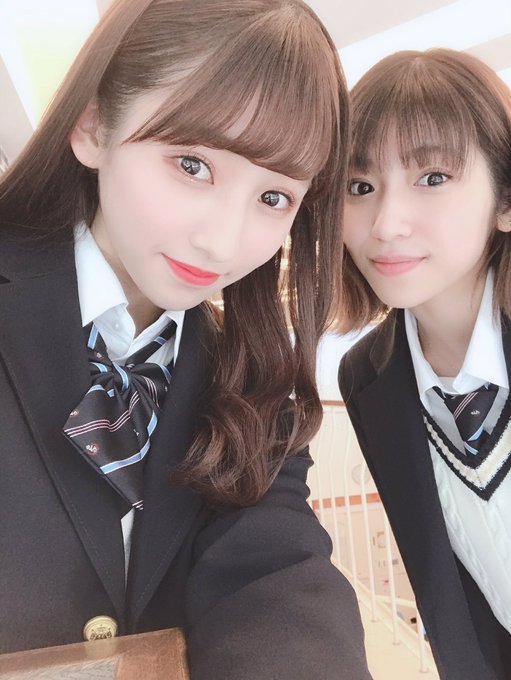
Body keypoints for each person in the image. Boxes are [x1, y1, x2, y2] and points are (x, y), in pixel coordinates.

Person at [0, 0, 373, 678]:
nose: (222, 242)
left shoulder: (254, 378)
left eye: (273, 198)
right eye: (192, 165)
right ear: (93, 126)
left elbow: (277, 578)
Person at [338, 48, 511, 680]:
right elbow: (450, 595)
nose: (385, 224)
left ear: (505, 198)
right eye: (360, 187)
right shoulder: (368, 377)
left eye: (433, 177)